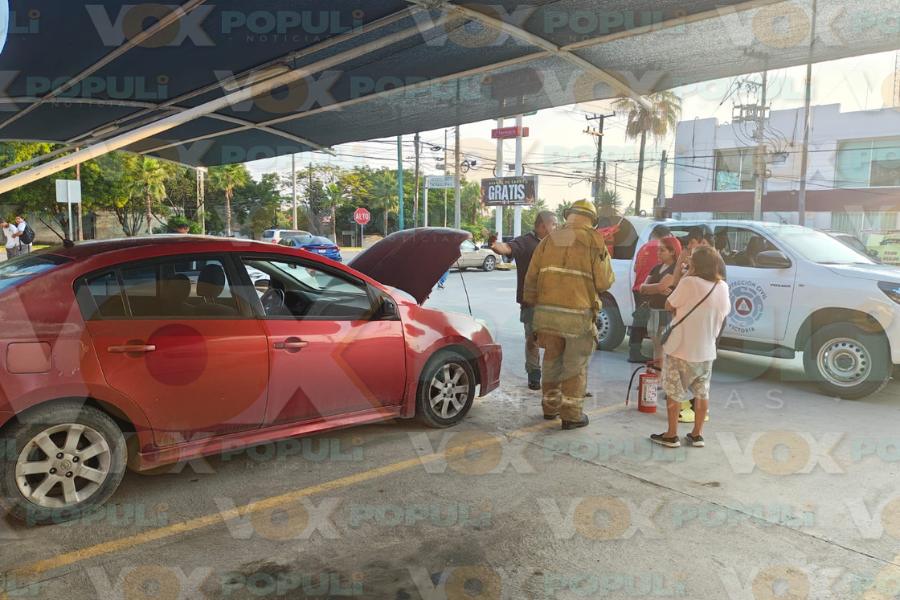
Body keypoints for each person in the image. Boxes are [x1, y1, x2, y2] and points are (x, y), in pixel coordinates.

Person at [523, 200, 614, 430]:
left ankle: (549, 408)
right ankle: (572, 415)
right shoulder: (594, 240)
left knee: (552, 362)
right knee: (575, 367)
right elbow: (604, 282)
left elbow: (531, 279)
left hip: (547, 317)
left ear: (569, 216)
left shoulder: (548, 241)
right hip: (577, 318)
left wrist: (535, 313)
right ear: (591, 220)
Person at [651, 246, 731, 449]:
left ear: (696, 264)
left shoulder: (689, 282)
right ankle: (696, 435)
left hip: (680, 348)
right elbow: (724, 312)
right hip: (706, 350)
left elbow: (670, 304)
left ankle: (671, 435)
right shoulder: (722, 286)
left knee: (674, 392)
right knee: (702, 393)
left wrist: (687, 272)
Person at [492, 210, 559, 390]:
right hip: (531, 303)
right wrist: (494, 245)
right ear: (542, 225)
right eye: (554, 224)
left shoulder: (557, 244)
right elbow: (506, 248)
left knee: (555, 341)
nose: (556, 227)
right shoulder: (525, 242)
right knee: (532, 340)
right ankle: (534, 375)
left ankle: (553, 376)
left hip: (553, 304)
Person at [629, 225, 681, 362]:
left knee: (660, 344)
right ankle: (657, 376)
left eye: (662, 250)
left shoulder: (644, 248)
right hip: (654, 307)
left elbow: (637, 271)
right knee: (657, 343)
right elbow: (648, 287)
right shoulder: (658, 265)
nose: (658, 253)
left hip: (662, 309)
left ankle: (657, 376)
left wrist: (651, 287)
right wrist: (658, 287)